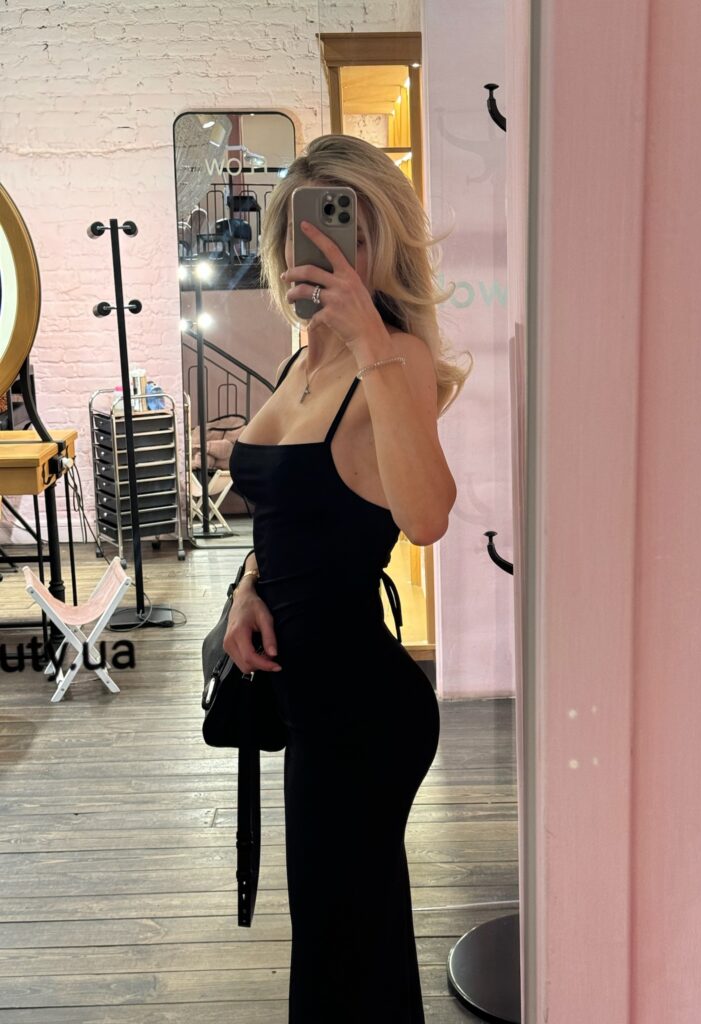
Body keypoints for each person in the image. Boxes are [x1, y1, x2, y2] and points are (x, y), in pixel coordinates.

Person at [225, 134, 473, 1023]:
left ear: (384, 244)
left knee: (345, 947)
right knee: (344, 940)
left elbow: (427, 516)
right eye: (316, 230)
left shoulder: (394, 361)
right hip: (313, 702)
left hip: (362, 714)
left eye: (355, 234)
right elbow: (295, 513)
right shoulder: (303, 358)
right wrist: (248, 586)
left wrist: (370, 336)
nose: (334, 252)